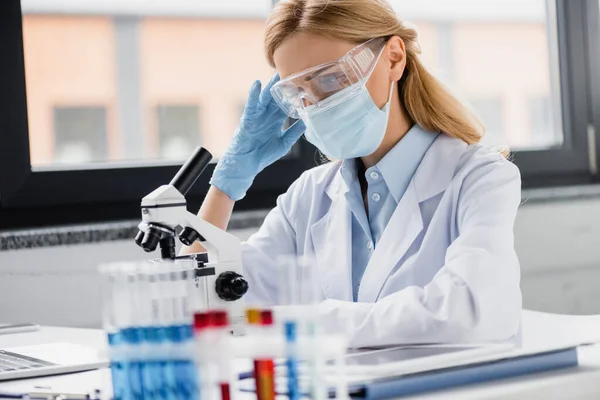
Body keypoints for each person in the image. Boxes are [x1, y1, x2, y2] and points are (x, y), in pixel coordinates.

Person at [187, 0, 522, 348]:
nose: (317, 105)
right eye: (300, 92)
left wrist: (310, 321)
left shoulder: (480, 178)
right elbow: (208, 303)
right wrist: (225, 186)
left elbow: (473, 312)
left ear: (394, 57)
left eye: (331, 78)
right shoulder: (309, 196)